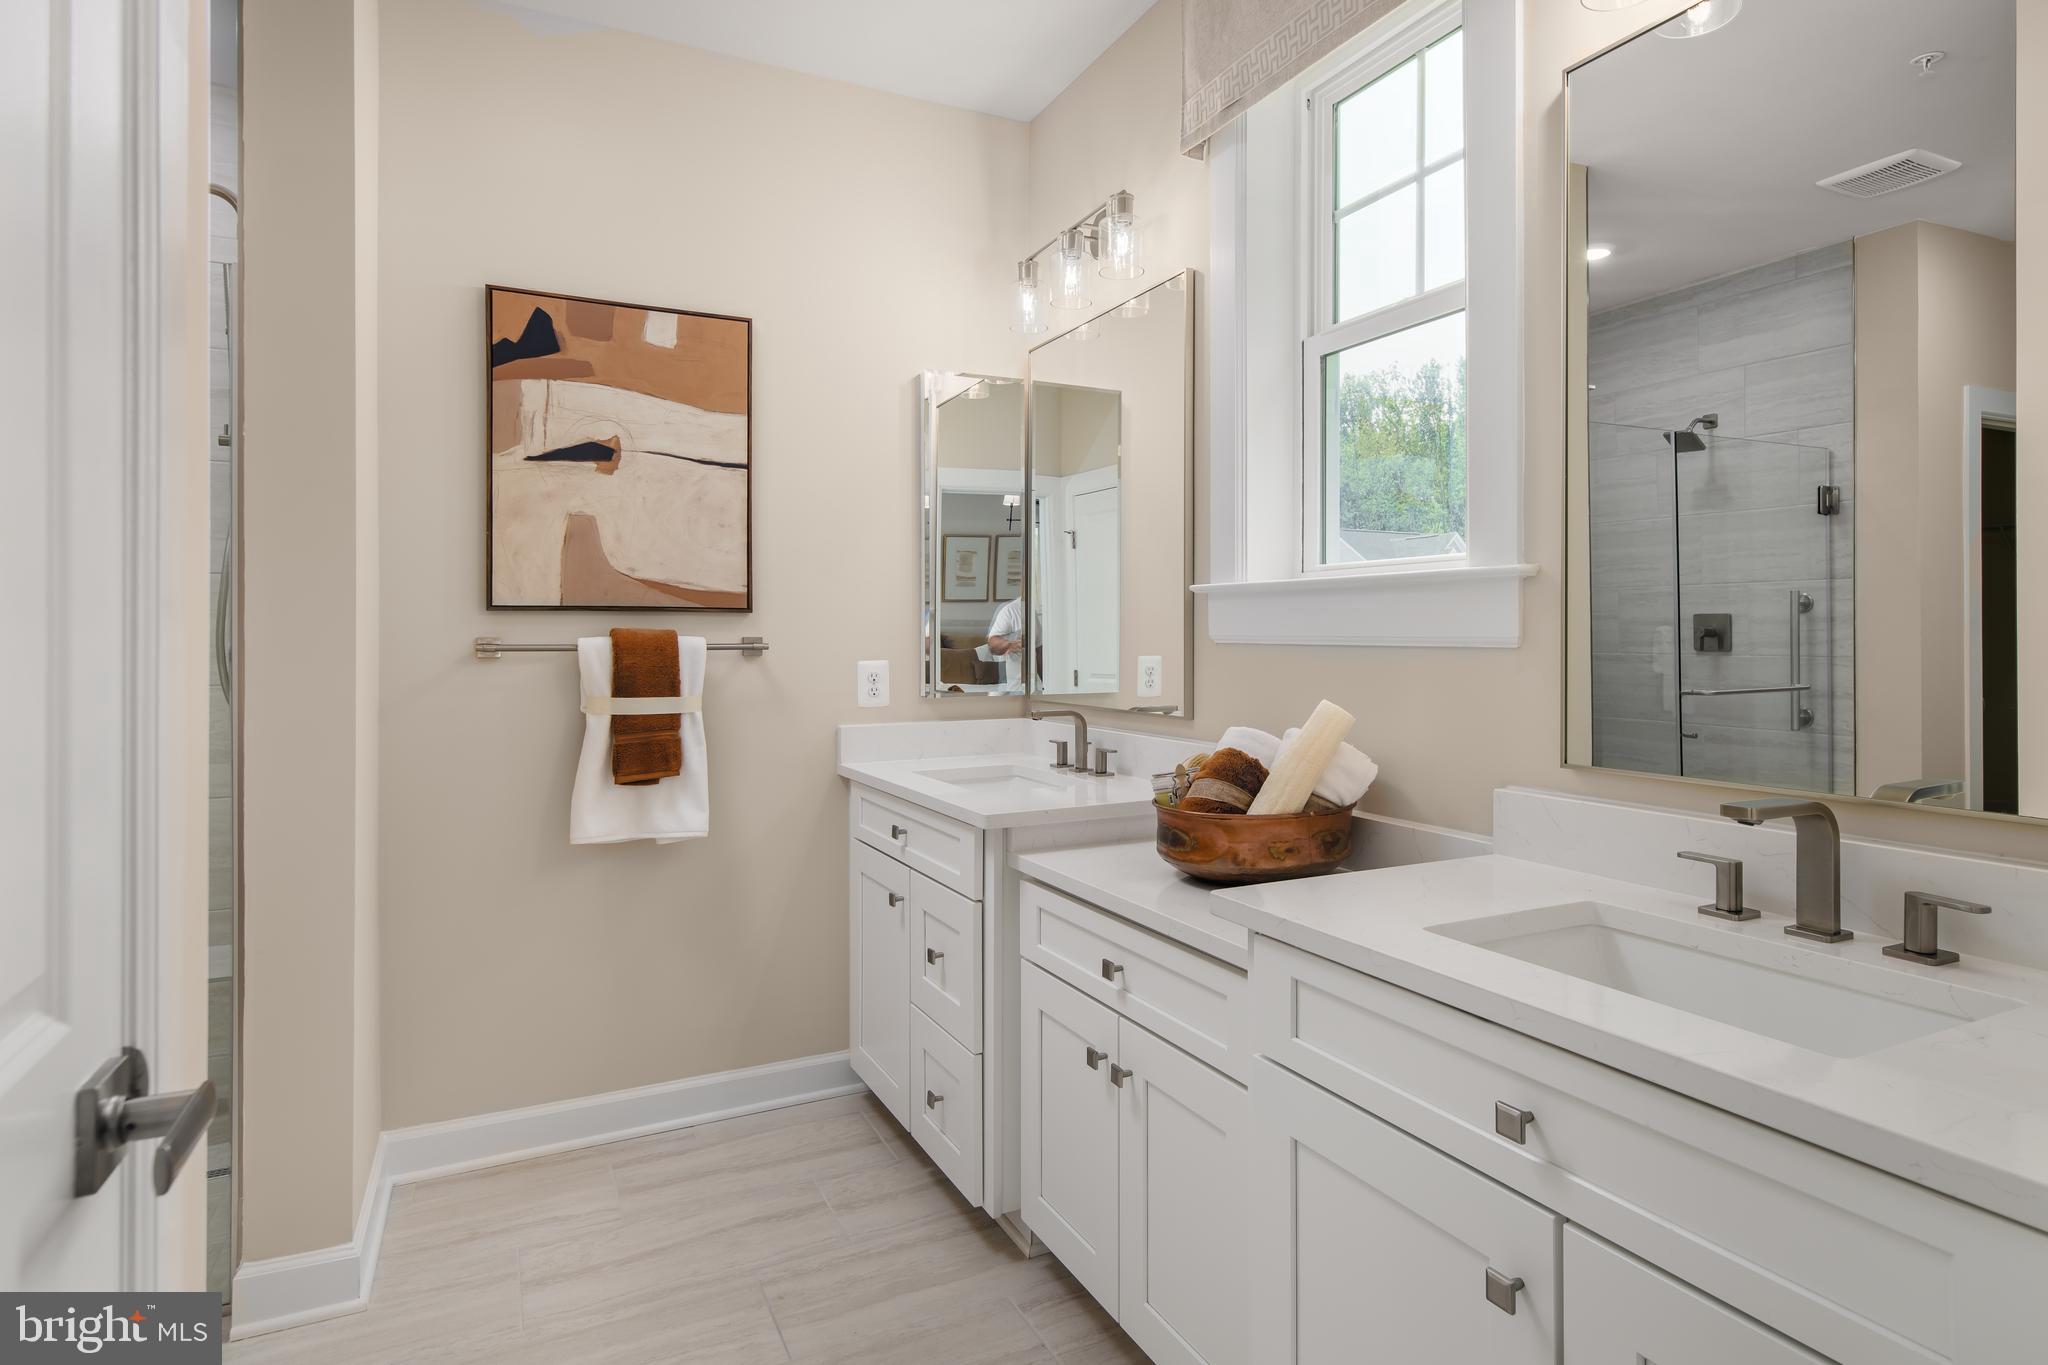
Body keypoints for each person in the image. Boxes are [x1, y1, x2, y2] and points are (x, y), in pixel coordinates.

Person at [985, 595, 1030, 694]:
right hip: (1013, 685)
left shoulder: (1038, 611)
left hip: (1035, 686)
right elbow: (992, 644)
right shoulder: (1010, 610)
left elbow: (1039, 650)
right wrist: (1010, 644)